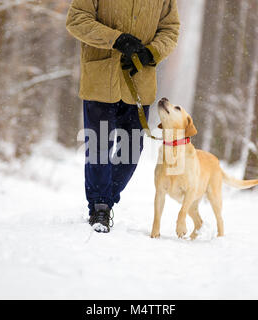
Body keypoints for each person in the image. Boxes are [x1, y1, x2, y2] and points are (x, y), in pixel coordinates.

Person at [66, 0, 180, 233]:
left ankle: (106, 199)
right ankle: (99, 207)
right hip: (100, 79)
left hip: (138, 81)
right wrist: (116, 39)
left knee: (131, 150)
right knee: (99, 146)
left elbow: (170, 29)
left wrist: (151, 52)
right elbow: (76, 20)